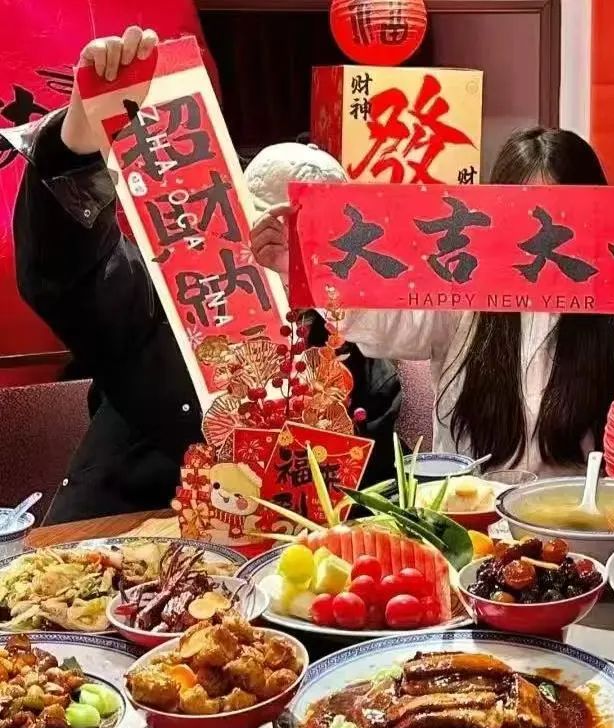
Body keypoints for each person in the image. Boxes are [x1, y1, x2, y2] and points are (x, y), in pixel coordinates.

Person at [5, 27, 402, 524]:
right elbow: (67, 274)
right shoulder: (168, 301)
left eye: (316, 237)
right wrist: (78, 145)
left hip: (278, 562)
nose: (287, 253)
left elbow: (370, 509)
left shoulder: (360, 353)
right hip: (123, 543)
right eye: (268, 231)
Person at [252, 128, 614, 476]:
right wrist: (307, 267)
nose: (540, 234)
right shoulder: (456, 282)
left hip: (574, 514)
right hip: (468, 509)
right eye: (523, 213)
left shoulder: (613, 294)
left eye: (562, 216)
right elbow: (385, 323)